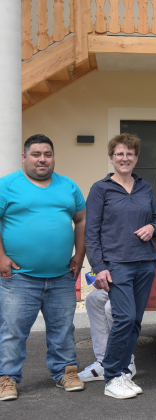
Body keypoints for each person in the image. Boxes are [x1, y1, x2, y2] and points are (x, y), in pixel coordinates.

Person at [79, 173, 156, 383]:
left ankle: (125, 361)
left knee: (114, 310)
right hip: (137, 275)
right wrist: (154, 226)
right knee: (93, 300)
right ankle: (102, 361)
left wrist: (153, 233)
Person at [0, 135, 86, 401]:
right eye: (36, 154)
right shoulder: (7, 185)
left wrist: (79, 255)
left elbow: (81, 219)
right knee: (12, 330)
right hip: (18, 276)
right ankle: (7, 378)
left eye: (47, 154)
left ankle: (65, 372)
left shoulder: (68, 186)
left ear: (53, 157)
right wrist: (0, 256)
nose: (42, 159)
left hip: (61, 275)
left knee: (63, 329)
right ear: (24, 157)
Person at [86, 133, 156, 399]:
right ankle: (112, 376)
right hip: (117, 263)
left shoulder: (144, 187)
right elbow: (91, 231)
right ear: (111, 158)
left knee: (135, 322)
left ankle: (122, 373)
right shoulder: (100, 189)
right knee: (124, 317)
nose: (125, 158)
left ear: (136, 157)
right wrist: (99, 267)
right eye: (119, 154)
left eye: (130, 154)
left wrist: (153, 227)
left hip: (146, 262)